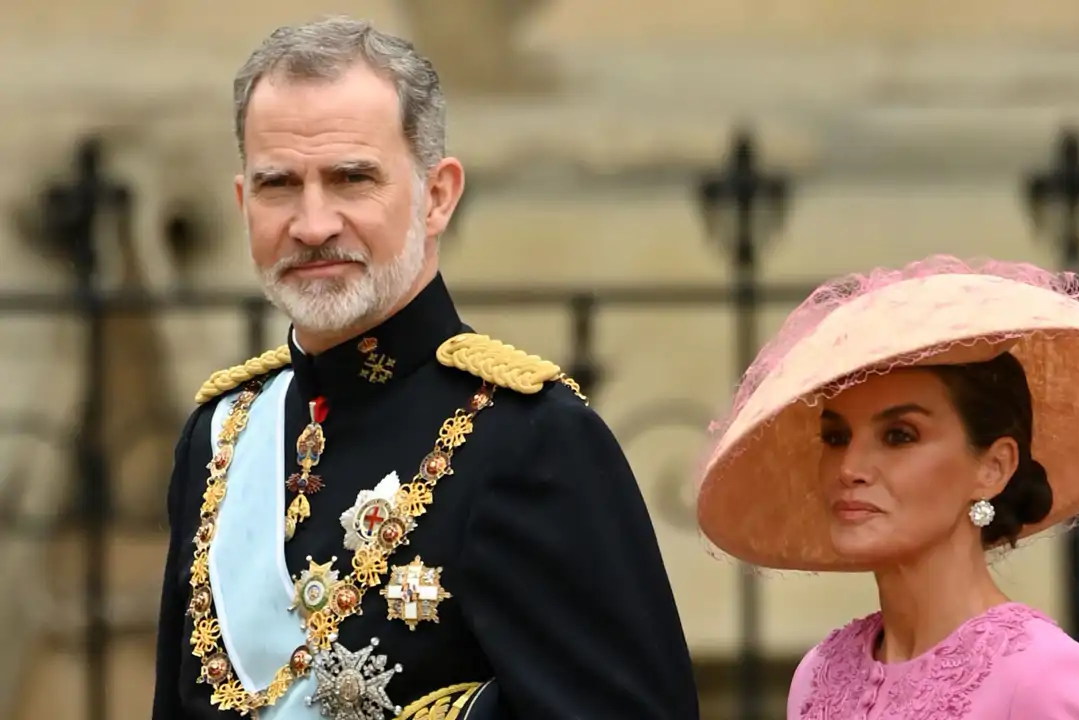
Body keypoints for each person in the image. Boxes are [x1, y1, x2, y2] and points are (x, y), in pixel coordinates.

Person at [151, 15, 700, 720]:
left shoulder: (529, 440)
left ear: (436, 196)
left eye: (351, 178)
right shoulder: (219, 438)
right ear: (242, 203)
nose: (313, 223)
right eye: (279, 185)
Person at [695, 256, 1079, 719]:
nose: (849, 466)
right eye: (836, 436)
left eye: (899, 436)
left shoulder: (1043, 681)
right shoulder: (819, 677)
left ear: (994, 467)